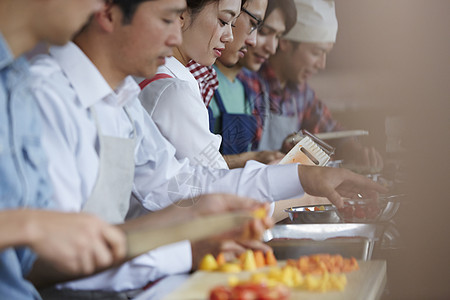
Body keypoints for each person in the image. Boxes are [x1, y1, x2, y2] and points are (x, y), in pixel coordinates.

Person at [29, 0, 386, 297]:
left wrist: (304, 177)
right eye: (168, 18)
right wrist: (186, 249)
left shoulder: (123, 103)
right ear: (107, 12)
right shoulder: (46, 97)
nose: (175, 35)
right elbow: (49, 262)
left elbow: (180, 182)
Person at [0, 0, 129, 299]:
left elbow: (32, 260)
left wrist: (191, 222)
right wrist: (29, 226)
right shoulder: (43, 86)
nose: (100, 6)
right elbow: (37, 229)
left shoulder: (18, 84)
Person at [239, 0, 384, 172]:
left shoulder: (301, 93)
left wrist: (354, 150)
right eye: (316, 52)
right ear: (285, 42)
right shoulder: (249, 82)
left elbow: (331, 131)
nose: (321, 64)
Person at [209, 0, 297, 168]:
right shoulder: (202, 80)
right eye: (262, 30)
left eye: (278, 36)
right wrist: (254, 158)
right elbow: (193, 167)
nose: (271, 48)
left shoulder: (251, 89)